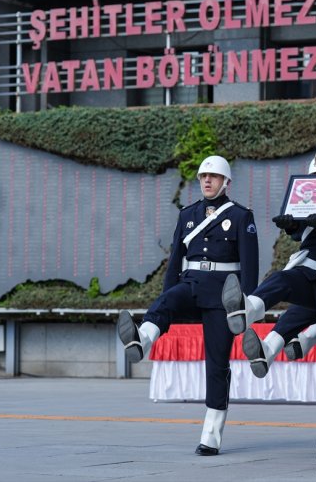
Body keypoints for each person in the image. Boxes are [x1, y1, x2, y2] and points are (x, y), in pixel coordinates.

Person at [221, 136, 316, 474]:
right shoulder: (310, 189)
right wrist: (293, 224)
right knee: (283, 278)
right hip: (311, 273)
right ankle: (249, 308)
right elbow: (299, 232)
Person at [117, 155, 259, 456]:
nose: (207, 181)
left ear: (226, 182)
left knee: (217, 363)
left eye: (214, 177)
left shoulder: (241, 216)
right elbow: (175, 261)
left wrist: (245, 306)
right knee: (165, 301)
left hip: (224, 296)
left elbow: (250, 266)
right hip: (191, 285)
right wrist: (168, 294)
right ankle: (142, 341)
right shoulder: (188, 214)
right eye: (203, 177)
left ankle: (211, 434)